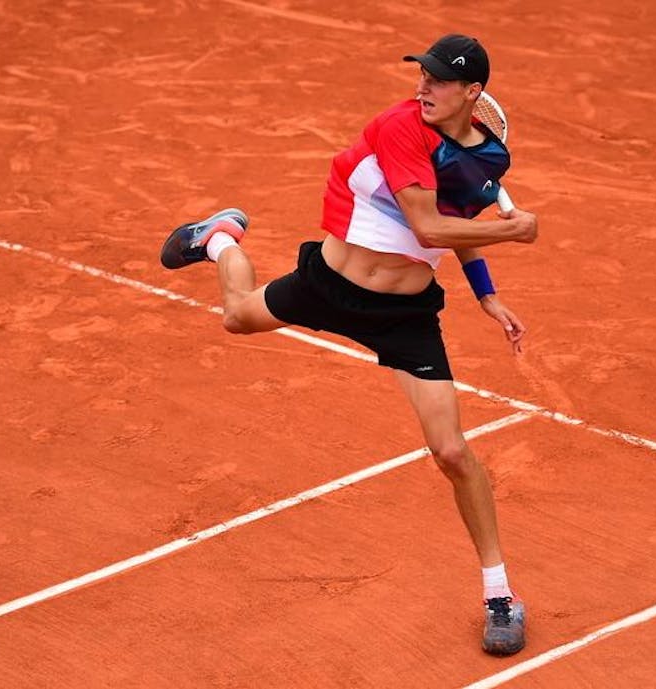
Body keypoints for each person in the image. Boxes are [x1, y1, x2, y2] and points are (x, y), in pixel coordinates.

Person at [160, 34, 538, 656]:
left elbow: (459, 226)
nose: (424, 86)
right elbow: (427, 224)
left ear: (472, 94)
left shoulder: (483, 158)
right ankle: (220, 239)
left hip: (404, 315)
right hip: (330, 284)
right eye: (422, 74)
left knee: (450, 451)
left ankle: (500, 595)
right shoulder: (398, 126)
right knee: (234, 317)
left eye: (440, 80)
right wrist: (514, 232)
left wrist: (485, 294)